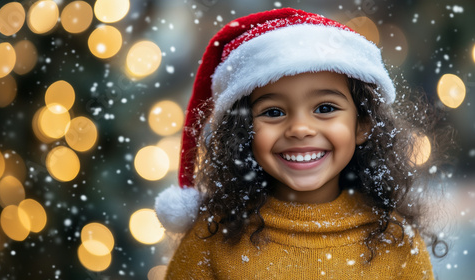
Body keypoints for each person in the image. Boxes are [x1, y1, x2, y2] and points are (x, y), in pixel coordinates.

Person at [155, 8, 450, 279]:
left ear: (362, 124)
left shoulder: (395, 239)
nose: (299, 129)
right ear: (243, 130)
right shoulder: (213, 238)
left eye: (325, 108)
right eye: (273, 112)